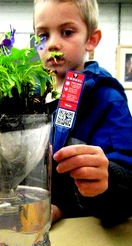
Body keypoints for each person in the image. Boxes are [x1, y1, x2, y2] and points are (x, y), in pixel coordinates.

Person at [34, 0, 132, 227]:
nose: (52, 44)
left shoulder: (106, 97)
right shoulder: (33, 96)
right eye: (43, 35)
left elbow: (128, 176)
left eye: (67, 32)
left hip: (88, 231)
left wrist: (109, 179)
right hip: (37, 229)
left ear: (91, 39)